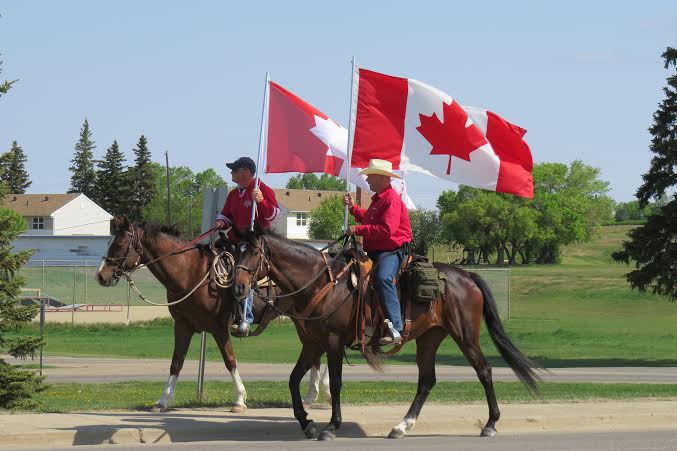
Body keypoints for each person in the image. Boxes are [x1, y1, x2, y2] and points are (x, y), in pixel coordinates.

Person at [343, 159, 412, 345]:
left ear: (381, 178)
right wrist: (353, 209)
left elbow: (386, 230)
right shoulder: (380, 199)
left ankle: (396, 328)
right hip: (376, 251)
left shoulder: (391, 200)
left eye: (370, 175)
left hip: (391, 251)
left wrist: (357, 230)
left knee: (383, 278)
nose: (367, 179)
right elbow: (369, 219)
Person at [214, 156, 281, 336]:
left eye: (234, 170)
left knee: (243, 272)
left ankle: (246, 317)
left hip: (255, 242)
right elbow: (226, 215)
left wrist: (261, 201)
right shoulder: (234, 194)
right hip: (236, 240)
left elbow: (274, 217)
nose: (231, 174)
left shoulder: (262, 189)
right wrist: (221, 222)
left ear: (244, 172)